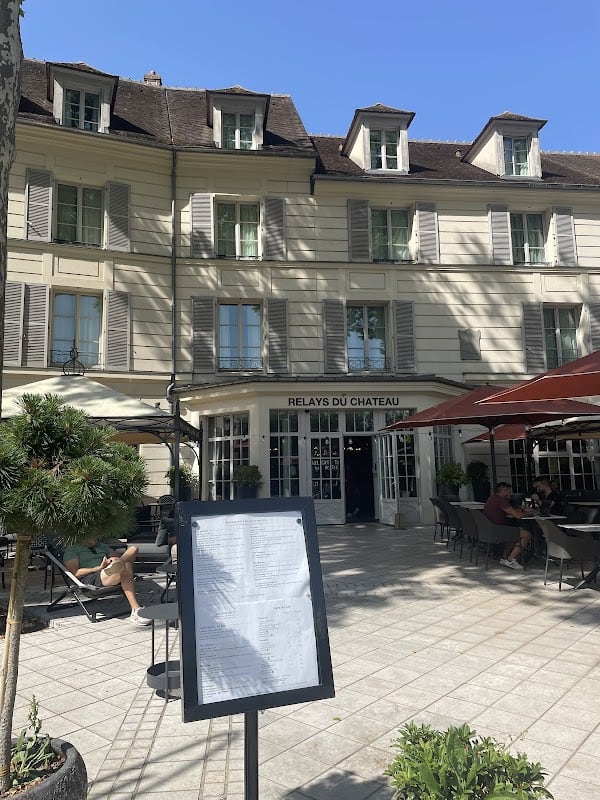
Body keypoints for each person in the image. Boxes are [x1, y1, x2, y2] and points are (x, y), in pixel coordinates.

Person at [63, 538, 151, 626]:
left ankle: (117, 566)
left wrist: (113, 559)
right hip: (91, 578)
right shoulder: (72, 549)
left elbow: (117, 556)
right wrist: (98, 568)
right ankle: (136, 609)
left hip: (108, 571)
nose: (95, 535)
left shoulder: (101, 546)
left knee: (133, 549)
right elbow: (75, 573)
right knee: (125, 565)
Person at [483, 482, 534, 570]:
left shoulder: (492, 498)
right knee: (527, 534)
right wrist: (529, 512)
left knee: (516, 531)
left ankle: (505, 557)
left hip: (490, 528)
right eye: (509, 492)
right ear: (504, 491)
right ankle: (510, 560)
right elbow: (518, 515)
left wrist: (519, 510)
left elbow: (509, 510)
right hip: (498, 530)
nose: (511, 494)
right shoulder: (501, 500)